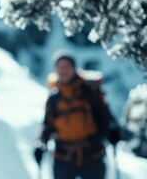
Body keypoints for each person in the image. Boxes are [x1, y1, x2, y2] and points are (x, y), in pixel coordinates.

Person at [33, 49, 120, 179]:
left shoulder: (90, 91)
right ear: (56, 70)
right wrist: (40, 142)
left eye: (66, 67)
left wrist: (112, 131)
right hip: (64, 156)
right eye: (60, 67)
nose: (63, 71)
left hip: (92, 153)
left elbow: (105, 116)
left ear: (74, 68)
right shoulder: (54, 98)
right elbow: (48, 125)